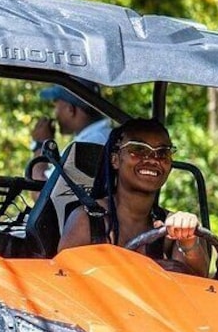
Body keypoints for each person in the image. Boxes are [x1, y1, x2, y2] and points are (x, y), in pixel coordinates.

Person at [57, 118, 208, 277]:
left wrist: (189, 241)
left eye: (162, 152)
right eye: (138, 149)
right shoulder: (87, 220)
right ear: (115, 159)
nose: (152, 159)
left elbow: (199, 284)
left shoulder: (170, 226)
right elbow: (62, 279)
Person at [30, 79, 112, 183]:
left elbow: (40, 189)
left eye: (56, 107)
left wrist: (40, 144)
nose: (55, 114)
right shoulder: (103, 136)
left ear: (70, 109)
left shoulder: (87, 145)